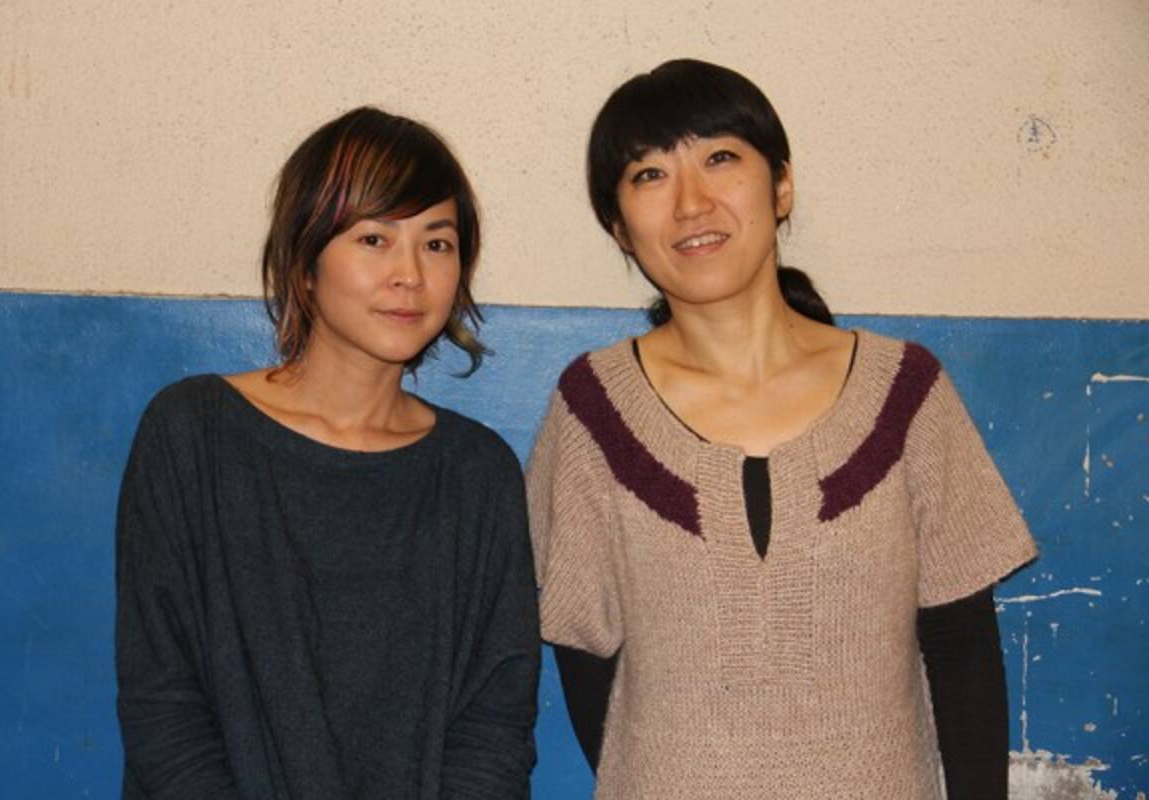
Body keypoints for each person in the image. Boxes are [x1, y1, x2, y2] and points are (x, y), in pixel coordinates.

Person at [527, 59, 1036, 799]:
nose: (691, 202)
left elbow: (964, 649)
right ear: (619, 228)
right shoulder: (593, 408)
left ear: (782, 186)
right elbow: (582, 655)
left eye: (720, 158)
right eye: (650, 175)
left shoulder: (906, 392)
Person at [115, 107, 539, 799]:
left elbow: (494, 727)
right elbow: (164, 707)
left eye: (437, 243)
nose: (410, 274)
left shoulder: (478, 473)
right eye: (374, 238)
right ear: (304, 260)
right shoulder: (193, 434)